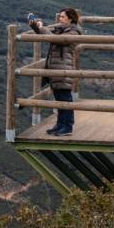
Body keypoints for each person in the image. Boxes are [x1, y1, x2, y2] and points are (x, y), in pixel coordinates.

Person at [28, 8, 82, 136]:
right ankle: (60, 125)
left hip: (63, 69)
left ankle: (67, 127)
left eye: (63, 17)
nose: (60, 19)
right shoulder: (61, 29)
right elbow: (46, 34)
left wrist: (42, 28)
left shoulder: (74, 32)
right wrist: (36, 26)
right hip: (56, 69)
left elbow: (56, 39)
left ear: (70, 18)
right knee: (59, 99)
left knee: (65, 99)